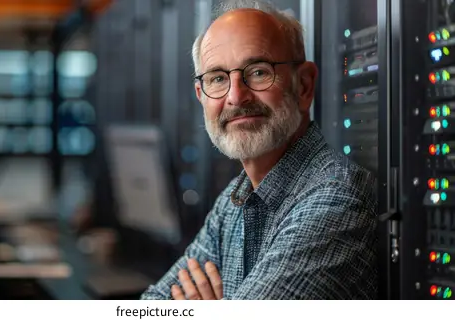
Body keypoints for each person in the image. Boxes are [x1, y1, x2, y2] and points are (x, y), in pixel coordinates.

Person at [140, 0, 378, 300]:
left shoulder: (334, 200)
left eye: (258, 72)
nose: (236, 97)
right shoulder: (234, 200)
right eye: (217, 78)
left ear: (303, 85)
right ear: (201, 96)